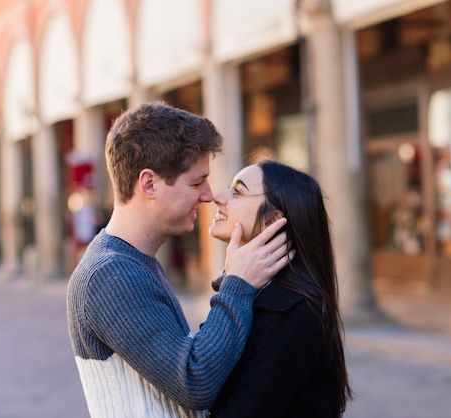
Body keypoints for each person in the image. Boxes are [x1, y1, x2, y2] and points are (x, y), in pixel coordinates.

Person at [66, 102, 292, 418]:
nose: (209, 195)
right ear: (149, 184)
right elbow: (194, 382)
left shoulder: (134, 263)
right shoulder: (110, 274)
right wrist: (237, 284)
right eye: (197, 182)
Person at [208, 160, 353, 417]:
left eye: (237, 191)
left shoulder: (293, 314)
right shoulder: (257, 295)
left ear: (273, 221)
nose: (218, 197)